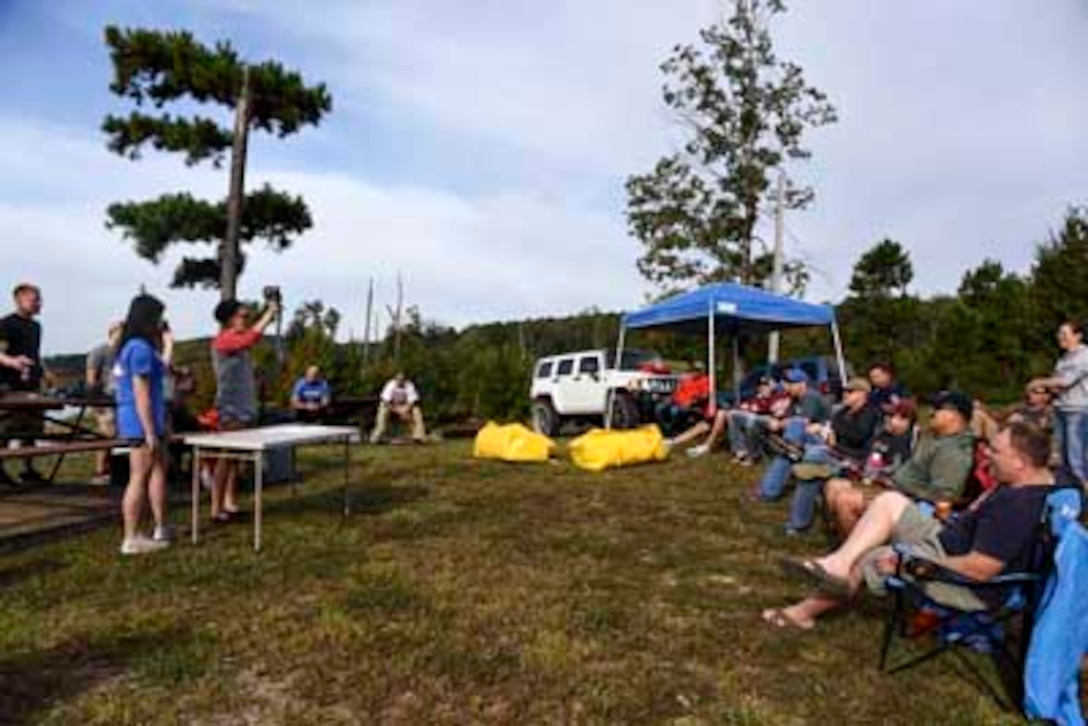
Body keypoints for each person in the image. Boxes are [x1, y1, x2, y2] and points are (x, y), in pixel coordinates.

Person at [762, 423, 1056, 631]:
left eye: (995, 450)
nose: (986, 454)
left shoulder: (1017, 508)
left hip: (961, 577)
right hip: (947, 537)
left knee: (869, 557)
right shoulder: (1035, 481)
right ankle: (837, 562)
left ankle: (803, 612)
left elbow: (981, 569)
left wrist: (911, 563)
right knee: (890, 501)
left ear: (1020, 462)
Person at [824, 391, 974, 537]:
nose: (931, 413)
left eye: (938, 409)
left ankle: (860, 555)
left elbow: (943, 499)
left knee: (845, 499)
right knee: (834, 485)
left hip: (910, 502)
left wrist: (898, 492)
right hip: (895, 488)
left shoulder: (953, 451)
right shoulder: (934, 436)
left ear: (955, 416)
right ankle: (850, 541)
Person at [210, 297, 279, 523]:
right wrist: (268, 314)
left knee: (235, 458)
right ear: (230, 319)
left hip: (243, 407)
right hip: (230, 408)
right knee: (226, 456)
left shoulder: (236, 341)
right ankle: (216, 507)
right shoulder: (224, 340)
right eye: (242, 316)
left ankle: (229, 502)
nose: (246, 319)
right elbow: (251, 338)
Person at [113, 294, 172, 555]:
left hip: (150, 419)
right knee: (138, 476)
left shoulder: (143, 348)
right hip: (139, 422)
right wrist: (149, 431)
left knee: (158, 469)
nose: (161, 322)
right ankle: (131, 537)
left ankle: (161, 526)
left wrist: (169, 344)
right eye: (158, 317)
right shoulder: (138, 348)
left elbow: (164, 368)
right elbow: (142, 394)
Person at [785, 377, 880, 534]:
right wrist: (828, 433)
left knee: (813, 455)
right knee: (809, 468)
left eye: (850, 391)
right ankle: (798, 524)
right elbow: (833, 428)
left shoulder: (870, 413)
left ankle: (795, 453)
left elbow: (858, 437)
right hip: (833, 451)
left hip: (852, 459)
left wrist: (832, 436)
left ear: (863, 394)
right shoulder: (843, 412)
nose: (845, 394)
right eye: (844, 391)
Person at [753, 368, 831, 501]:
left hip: (823, 439)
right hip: (801, 438)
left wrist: (781, 424)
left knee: (793, 432)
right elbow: (785, 419)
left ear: (803, 384)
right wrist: (777, 422)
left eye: (791, 383)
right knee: (788, 444)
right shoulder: (795, 398)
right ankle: (769, 487)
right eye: (786, 383)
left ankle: (768, 491)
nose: (787, 387)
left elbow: (802, 422)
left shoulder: (810, 396)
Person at [1029, 321, 1088, 486]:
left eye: (1064, 333)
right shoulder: (1063, 359)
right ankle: (1070, 494)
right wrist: (1045, 390)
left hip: (1078, 411)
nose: (1059, 337)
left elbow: (1066, 381)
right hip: (1061, 410)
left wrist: (1039, 382)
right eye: (1059, 333)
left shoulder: (1085, 355)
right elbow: (1056, 385)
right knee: (1063, 458)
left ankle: (1083, 500)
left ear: (1078, 336)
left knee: (1077, 460)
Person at [0, 283, 46, 484]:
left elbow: (34, 353)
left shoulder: (37, 327)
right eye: (34, 299)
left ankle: (28, 470)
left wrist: (45, 371)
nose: (39, 303)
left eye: (39, 299)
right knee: (7, 429)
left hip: (32, 386)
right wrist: (13, 361)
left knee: (32, 429)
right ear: (20, 300)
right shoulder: (6, 324)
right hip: (9, 386)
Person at [86, 321, 123, 484]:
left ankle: (114, 469)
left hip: (121, 400)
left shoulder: (123, 353)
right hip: (104, 400)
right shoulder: (99, 351)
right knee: (106, 433)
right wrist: (95, 403)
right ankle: (100, 470)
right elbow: (91, 379)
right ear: (113, 332)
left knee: (118, 435)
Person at [370, 372, 426, 443]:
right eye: (399, 379)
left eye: (402, 379)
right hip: (391, 407)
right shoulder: (390, 385)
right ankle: (377, 436)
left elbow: (412, 401)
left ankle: (419, 436)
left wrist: (405, 410)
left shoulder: (409, 386)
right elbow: (385, 402)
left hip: (405, 407)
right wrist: (398, 410)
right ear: (395, 379)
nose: (400, 381)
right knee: (383, 410)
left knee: (416, 411)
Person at [656, 363, 709, 437]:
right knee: (659, 407)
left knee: (674, 411)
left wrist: (693, 401)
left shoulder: (705, 380)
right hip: (676, 400)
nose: (694, 372)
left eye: (697, 370)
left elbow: (705, 395)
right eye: (693, 370)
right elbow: (677, 391)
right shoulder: (686, 378)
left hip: (690, 403)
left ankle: (672, 431)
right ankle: (666, 429)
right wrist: (670, 398)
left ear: (701, 371)